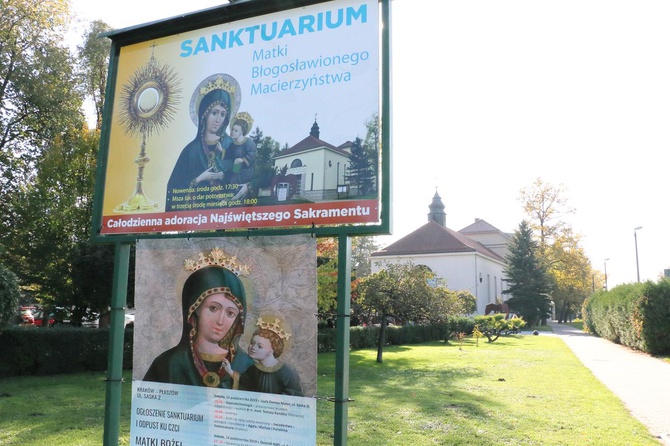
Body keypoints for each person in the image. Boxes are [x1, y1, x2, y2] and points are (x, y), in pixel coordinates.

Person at [143, 252, 253, 388]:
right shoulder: (167, 364)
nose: (220, 321)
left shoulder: (249, 367)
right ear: (195, 309)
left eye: (230, 313)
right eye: (213, 308)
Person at [165, 74, 237, 211]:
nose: (218, 120)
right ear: (204, 114)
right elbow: (173, 190)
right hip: (197, 218)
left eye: (223, 114)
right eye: (214, 112)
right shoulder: (191, 150)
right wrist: (198, 179)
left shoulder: (231, 146)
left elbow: (240, 176)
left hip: (227, 215)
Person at [223, 316, 303, 396]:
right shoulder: (253, 369)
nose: (252, 348)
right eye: (252, 343)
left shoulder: (287, 373)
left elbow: (295, 396)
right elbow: (244, 383)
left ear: (271, 351)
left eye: (259, 346)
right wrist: (230, 371)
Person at [223, 112, 257, 200]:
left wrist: (242, 160)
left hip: (245, 173)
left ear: (242, 132)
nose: (232, 132)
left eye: (235, 130)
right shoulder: (232, 145)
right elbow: (228, 158)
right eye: (232, 130)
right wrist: (221, 151)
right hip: (235, 173)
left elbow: (252, 155)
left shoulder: (249, 142)